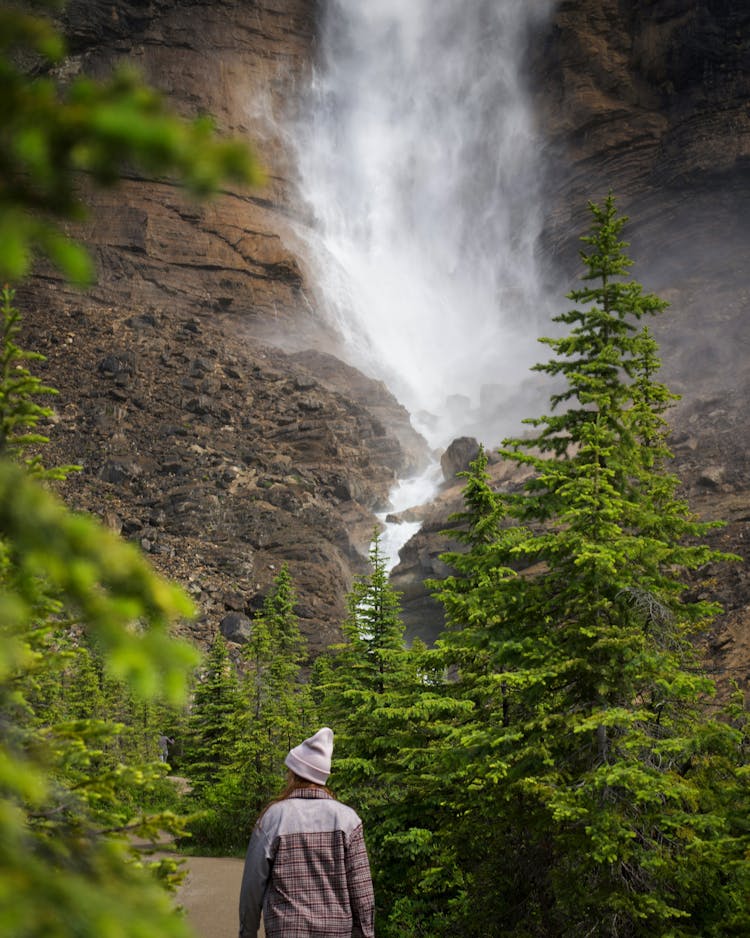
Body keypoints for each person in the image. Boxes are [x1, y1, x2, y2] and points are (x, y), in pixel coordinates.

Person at [238, 727, 375, 938]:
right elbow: (362, 894)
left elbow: (252, 888)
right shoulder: (349, 821)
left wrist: (247, 933)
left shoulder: (273, 818)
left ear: (294, 774)